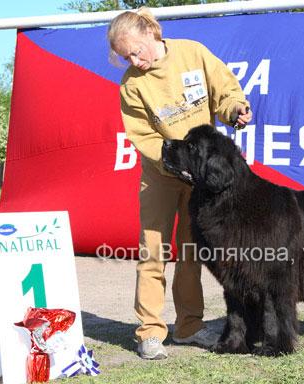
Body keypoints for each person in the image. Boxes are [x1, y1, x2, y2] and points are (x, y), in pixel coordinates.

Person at [108, 7, 252, 360]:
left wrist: (235, 109)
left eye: (135, 52)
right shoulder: (131, 84)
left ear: (151, 33)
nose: (134, 61)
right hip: (161, 175)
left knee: (191, 252)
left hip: (198, 176)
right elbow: (142, 136)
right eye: (127, 56)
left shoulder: (192, 52)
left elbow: (225, 91)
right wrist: (176, 163)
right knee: (153, 252)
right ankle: (150, 332)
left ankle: (189, 327)